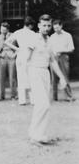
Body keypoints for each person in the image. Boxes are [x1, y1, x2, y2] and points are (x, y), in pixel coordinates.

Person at [25, 15, 67, 146]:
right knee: (43, 104)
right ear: (38, 25)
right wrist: (26, 81)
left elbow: (53, 61)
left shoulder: (50, 40)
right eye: (44, 25)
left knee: (42, 105)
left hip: (45, 73)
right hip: (34, 71)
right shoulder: (33, 38)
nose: (46, 28)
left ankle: (38, 134)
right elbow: (26, 60)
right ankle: (35, 135)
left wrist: (62, 77)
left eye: (49, 25)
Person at [6, 16, 36, 106]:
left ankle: (22, 100)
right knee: (31, 78)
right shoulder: (32, 33)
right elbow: (31, 48)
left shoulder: (18, 32)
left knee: (21, 78)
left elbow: (7, 42)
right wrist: (29, 58)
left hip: (20, 55)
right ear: (30, 25)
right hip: (28, 56)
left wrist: (17, 49)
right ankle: (32, 99)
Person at [49, 20, 75, 102]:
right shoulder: (52, 37)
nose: (55, 29)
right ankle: (54, 97)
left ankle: (69, 96)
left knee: (64, 76)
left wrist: (62, 51)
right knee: (54, 78)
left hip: (64, 57)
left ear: (61, 26)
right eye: (54, 28)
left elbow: (71, 49)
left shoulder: (67, 36)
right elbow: (49, 48)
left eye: (57, 27)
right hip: (54, 57)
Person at [0, 22, 17, 101]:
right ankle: (1, 95)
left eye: (4, 29)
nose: (2, 31)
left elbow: (18, 47)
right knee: (1, 77)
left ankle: (13, 95)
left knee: (12, 77)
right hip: (2, 58)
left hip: (11, 58)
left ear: (7, 29)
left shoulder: (13, 36)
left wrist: (14, 54)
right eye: (1, 29)